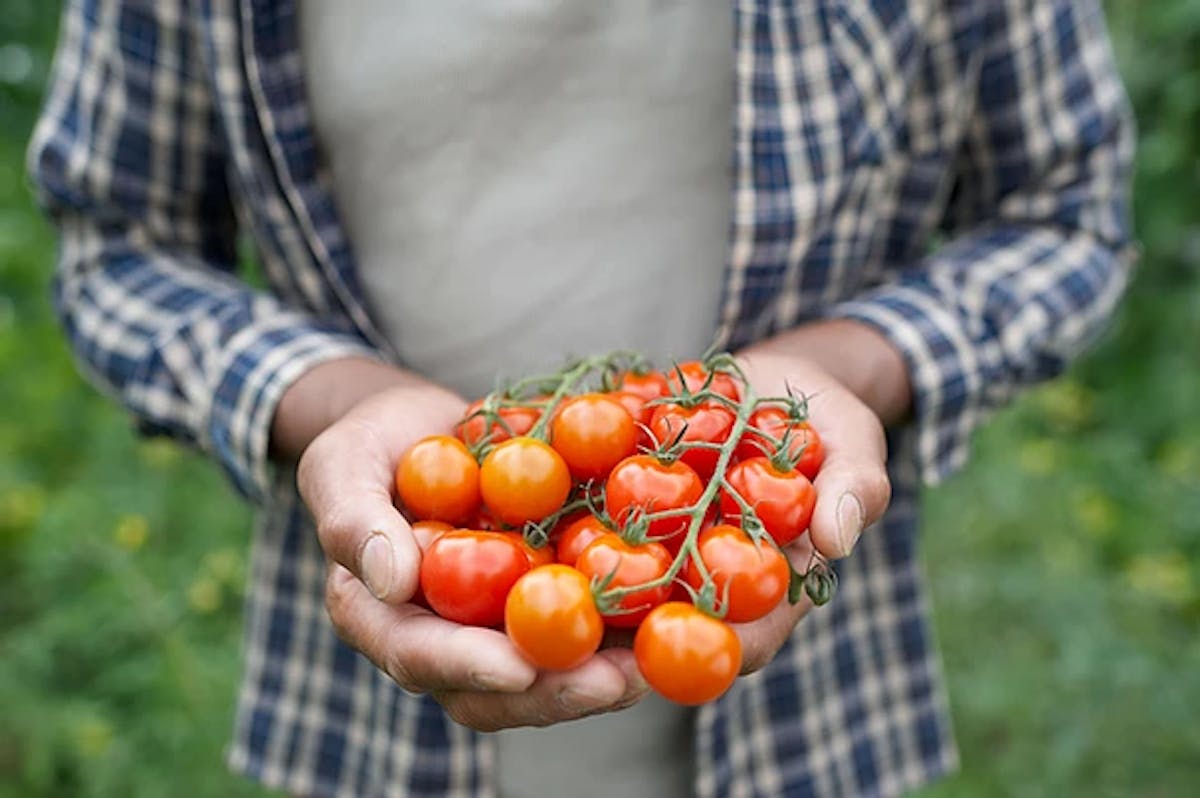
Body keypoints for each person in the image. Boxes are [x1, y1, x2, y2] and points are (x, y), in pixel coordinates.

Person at [28, 1, 1133, 796]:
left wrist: (851, 363)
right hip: (368, 703)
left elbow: (1067, 207)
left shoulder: (692, 493)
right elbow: (118, 245)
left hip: (810, 713)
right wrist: (332, 399)